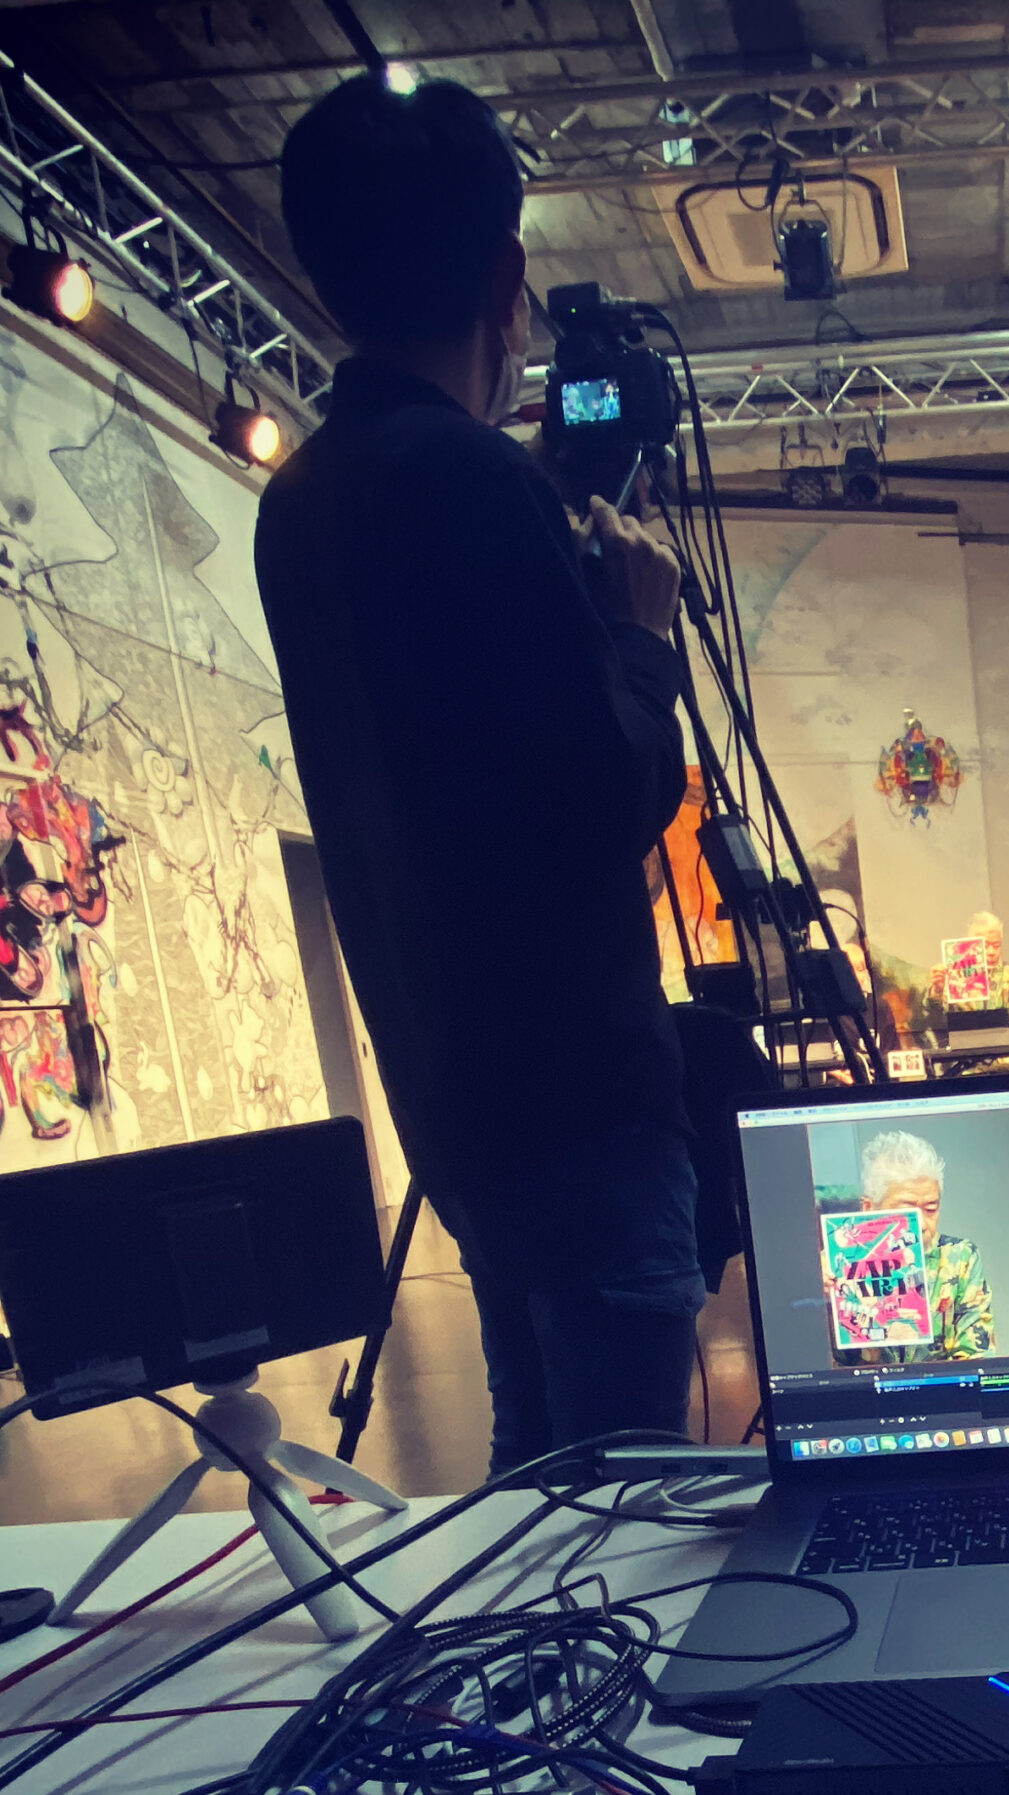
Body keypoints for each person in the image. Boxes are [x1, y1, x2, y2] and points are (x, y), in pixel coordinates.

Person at [256, 75, 699, 1476]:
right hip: (583, 1112)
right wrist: (640, 636)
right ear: (508, 279)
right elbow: (605, 793)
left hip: (457, 1104)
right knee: (629, 1501)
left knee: (536, 1472)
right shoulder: (471, 482)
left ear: (321, 277)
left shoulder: (300, 502)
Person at [834, 1128, 995, 1361]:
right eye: (907, 1212)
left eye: (930, 1209)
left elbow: (978, 1357)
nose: (920, 1225)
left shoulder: (960, 1257)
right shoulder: (839, 1264)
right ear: (869, 1209)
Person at [929, 909, 1009, 1052]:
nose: (991, 952)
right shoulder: (957, 975)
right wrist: (938, 990)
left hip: (1007, 1057)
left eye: (996, 946)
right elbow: (939, 1016)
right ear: (973, 946)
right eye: (985, 946)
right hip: (967, 1057)